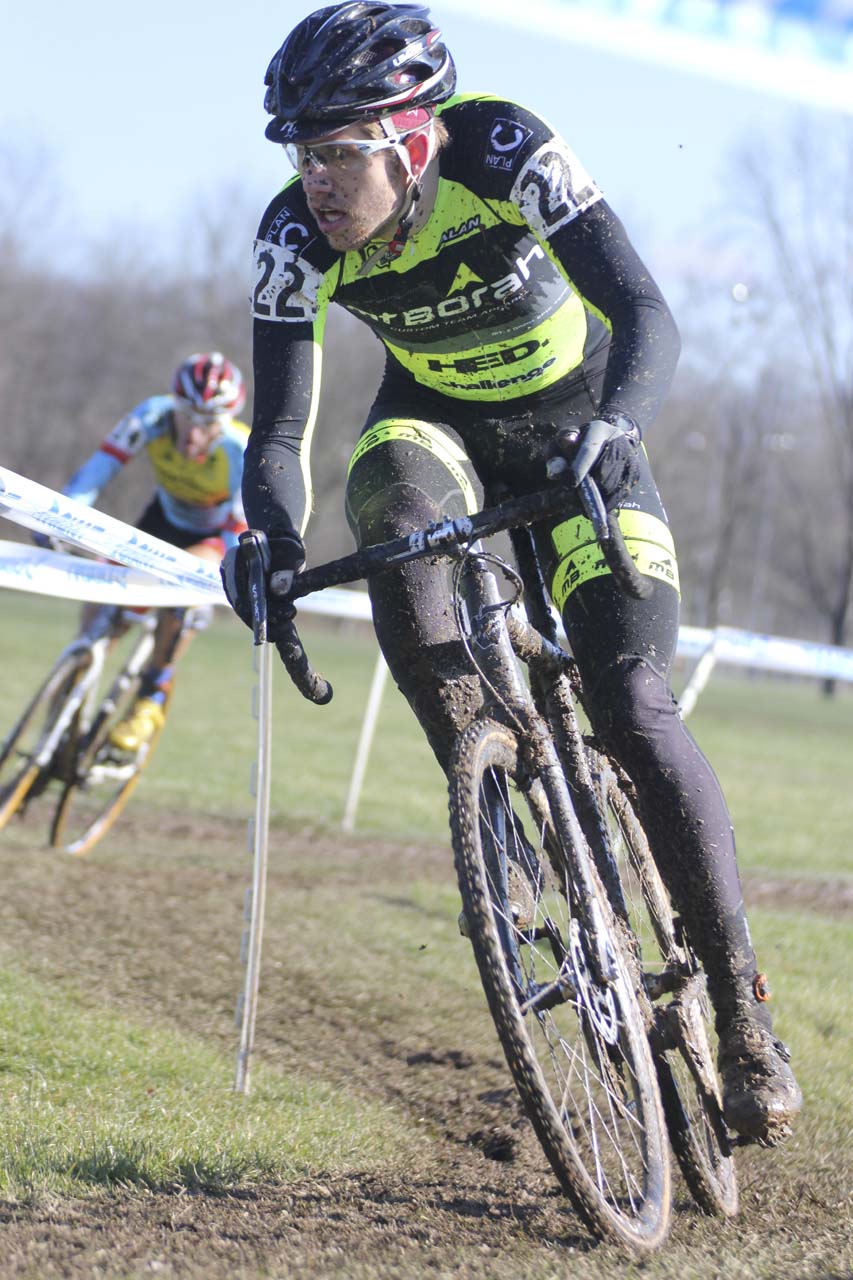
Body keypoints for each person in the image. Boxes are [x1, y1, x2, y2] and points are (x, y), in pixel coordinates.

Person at [224, 1, 801, 1145]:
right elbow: (280, 437)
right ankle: (496, 833)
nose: (319, 181)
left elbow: (644, 310)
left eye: (342, 151)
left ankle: (743, 1015)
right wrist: (274, 547)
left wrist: (621, 424)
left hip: (579, 430)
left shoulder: (503, 149)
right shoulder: (293, 238)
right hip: (436, 429)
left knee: (632, 704)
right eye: (304, 153)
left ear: (413, 138)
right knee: (383, 495)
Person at [54, 352, 249, 751]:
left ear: (225, 421)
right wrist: (59, 521)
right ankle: (65, 708)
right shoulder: (151, 418)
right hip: (160, 521)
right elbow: (94, 474)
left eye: (208, 422)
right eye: (187, 416)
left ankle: (150, 696)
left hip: (212, 536)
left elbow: (238, 532)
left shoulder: (240, 450)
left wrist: (231, 579)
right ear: (173, 405)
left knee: (183, 586)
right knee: (99, 616)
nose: (193, 433)